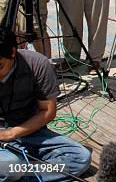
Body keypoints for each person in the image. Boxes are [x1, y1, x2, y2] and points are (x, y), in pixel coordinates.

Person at [0, 28, 91, 181]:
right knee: (11, 164)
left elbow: (48, 111)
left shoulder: (37, 64)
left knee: (80, 157)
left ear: (13, 52)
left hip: (30, 131)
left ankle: (20, 175)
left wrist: (11, 133)